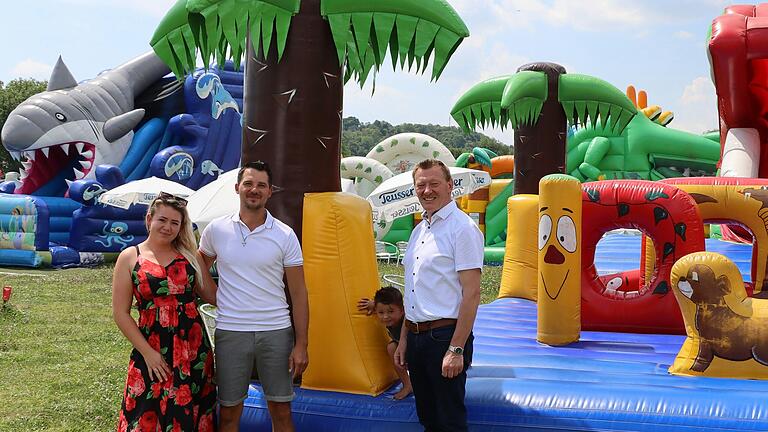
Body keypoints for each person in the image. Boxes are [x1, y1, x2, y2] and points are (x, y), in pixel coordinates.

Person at [197, 161, 309, 432]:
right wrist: (215, 296)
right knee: (229, 412)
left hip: (276, 331)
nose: (254, 190)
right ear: (237, 188)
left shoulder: (284, 234)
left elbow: (298, 293)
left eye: (261, 185)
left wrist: (301, 344)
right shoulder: (216, 230)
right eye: (248, 183)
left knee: (281, 411)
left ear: (270, 191)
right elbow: (198, 262)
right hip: (231, 331)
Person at [113, 192, 217, 431]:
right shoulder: (130, 257)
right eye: (162, 220)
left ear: (181, 227)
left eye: (175, 223)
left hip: (193, 350)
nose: (168, 227)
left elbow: (214, 296)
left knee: (188, 413)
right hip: (150, 346)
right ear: (149, 219)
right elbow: (121, 314)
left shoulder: (190, 257)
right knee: (145, 411)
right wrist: (148, 353)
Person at [394, 159, 484, 432]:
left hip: (445, 336)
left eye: (434, 184)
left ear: (449, 186)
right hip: (417, 336)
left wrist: (456, 349)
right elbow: (412, 290)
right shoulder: (419, 230)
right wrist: (403, 340)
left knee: (449, 420)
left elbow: (472, 293)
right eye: (421, 185)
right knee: (428, 417)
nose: (427, 191)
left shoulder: (462, 229)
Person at [357, 286, 413, 400]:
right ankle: (407, 385)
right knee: (391, 347)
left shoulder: (407, 317)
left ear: (402, 310)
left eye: (391, 312)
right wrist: (373, 304)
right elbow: (384, 306)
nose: (386, 316)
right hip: (403, 350)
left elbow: (409, 309)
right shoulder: (387, 314)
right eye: (381, 312)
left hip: (416, 348)